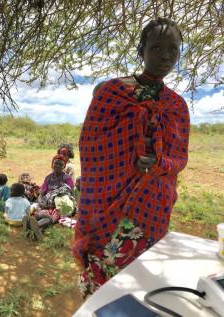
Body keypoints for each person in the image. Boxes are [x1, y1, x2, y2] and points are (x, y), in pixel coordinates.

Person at [74, 18, 189, 296]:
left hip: (152, 204)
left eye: (172, 49)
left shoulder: (176, 105)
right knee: (103, 281)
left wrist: (159, 164)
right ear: (142, 50)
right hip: (108, 198)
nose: (165, 56)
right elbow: (91, 144)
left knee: (139, 283)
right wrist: (129, 157)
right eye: (156, 48)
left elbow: (180, 157)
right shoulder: (113, 92)